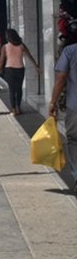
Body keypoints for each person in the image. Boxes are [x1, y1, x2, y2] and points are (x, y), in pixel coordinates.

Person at [49, 41, 77, 193]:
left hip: (75, 106)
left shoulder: (70, 51)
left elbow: (61, 78)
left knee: (74, 140)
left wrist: (53, 102)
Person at [0, 28, 39, 116]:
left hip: (9, 69)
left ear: (8, 37)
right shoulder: (21, 45)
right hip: (20, 69)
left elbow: (1, 60)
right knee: (19, 89)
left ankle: (13, 109)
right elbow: (29, 56)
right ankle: (18, 108)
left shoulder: (5, 47)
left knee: (12, 90)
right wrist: (36, 66)